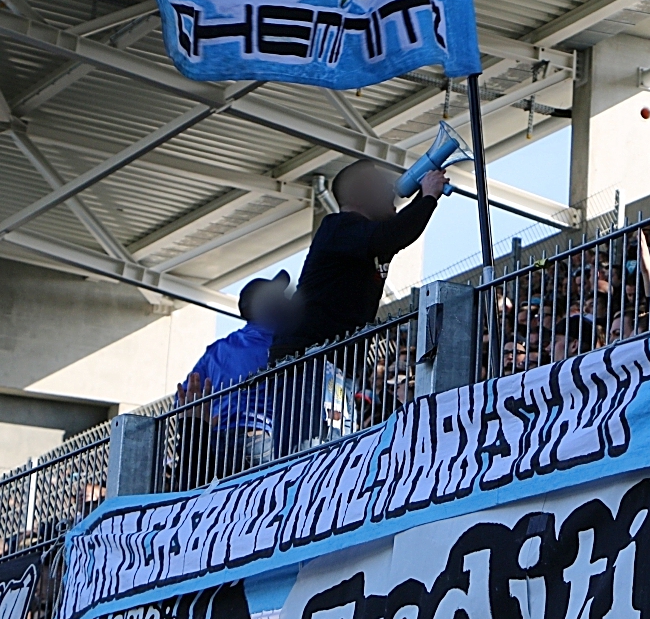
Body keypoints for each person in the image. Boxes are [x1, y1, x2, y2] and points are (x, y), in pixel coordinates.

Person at [271, 159, 447, 361]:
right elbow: (394, 233)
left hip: (332, 356)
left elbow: (400, 229)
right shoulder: (338, 227)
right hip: (305, 355)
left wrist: (427, 195)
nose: (390, 189)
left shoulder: (367, 237)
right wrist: (428, 197)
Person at [173, 272, 298, 483]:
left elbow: (183, 398)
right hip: (258, 439)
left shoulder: (217, 349)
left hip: (215, 445)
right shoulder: (282, 344)